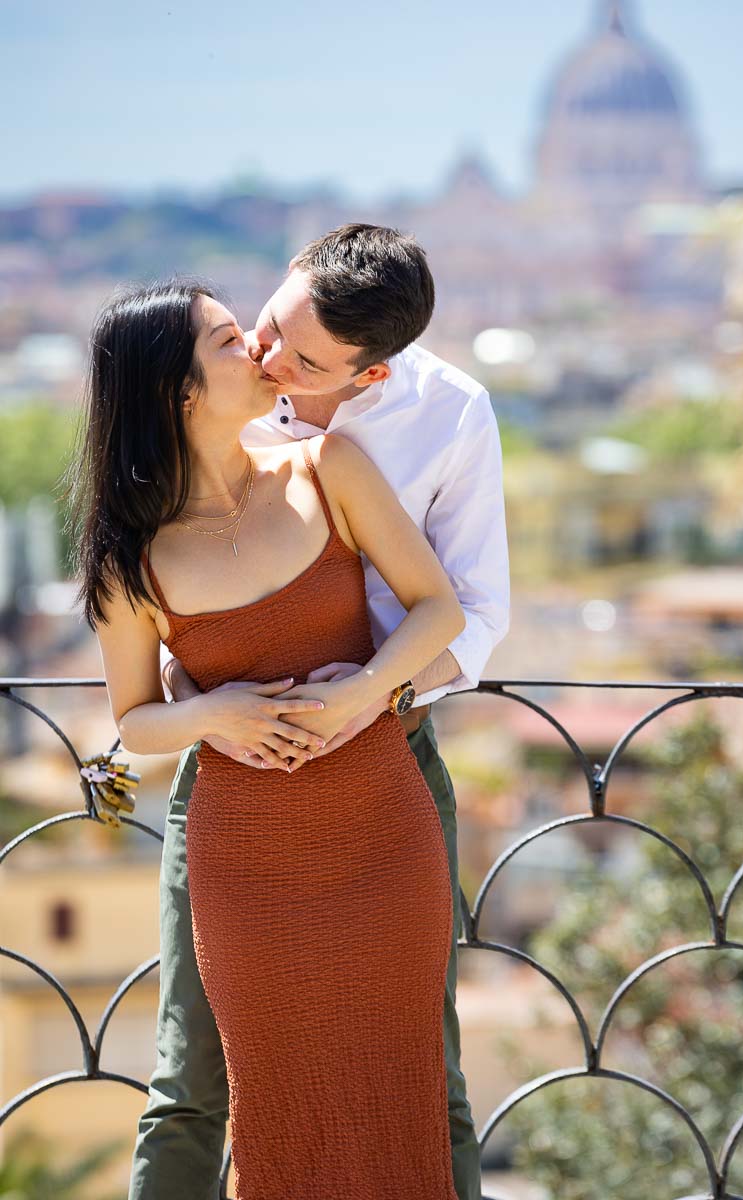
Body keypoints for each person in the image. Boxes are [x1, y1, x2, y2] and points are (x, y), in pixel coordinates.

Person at [130, 225, 510, 1200]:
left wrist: (360, 696)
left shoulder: (447, 417)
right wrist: (215, 708)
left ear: (370, 376)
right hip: (230, 793)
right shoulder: (216, 408)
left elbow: (472, 612)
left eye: (302, 362)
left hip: (388, 772)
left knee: (423, 1074)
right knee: (189, 1080)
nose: (266, 360)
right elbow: (147, 647)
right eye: (264, 328)